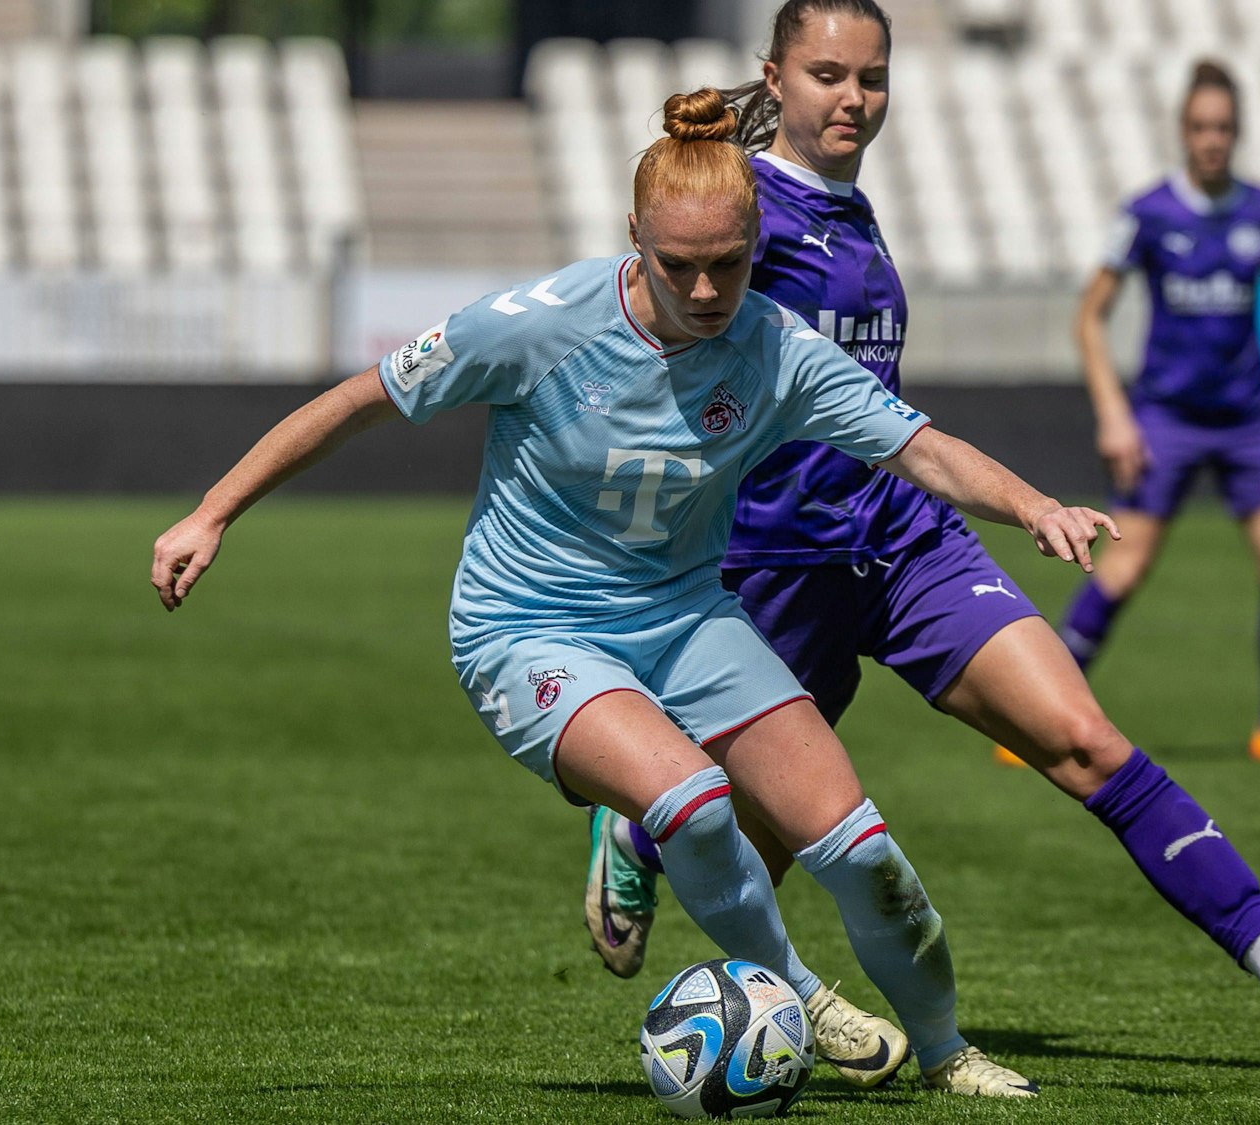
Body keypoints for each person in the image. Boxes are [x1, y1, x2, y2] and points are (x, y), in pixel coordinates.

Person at [148, 88, 1102, 1098]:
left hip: (689, 620)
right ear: (632, 238)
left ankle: (949, 1056)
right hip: (526, 632)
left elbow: (920, 448)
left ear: (756, 241)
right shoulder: (536, 325)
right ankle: (799, 996)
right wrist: (212, 512)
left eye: (727, 266)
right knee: (691, 806)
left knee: (859, 849)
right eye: (676, 266)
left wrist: (1031, 503)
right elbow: (355, 402)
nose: (702, 291)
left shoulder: (777, 349)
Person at [578, 0, 1260, 1065]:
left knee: (1084, 741)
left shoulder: (848, 209)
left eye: (870, 76)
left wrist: (1029, 505)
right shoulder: (743, 211)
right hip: (774, 565)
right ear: (773, 78)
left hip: (904, 542)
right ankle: (636, 831)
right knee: (751, 843)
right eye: (826, 75)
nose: (852, 97)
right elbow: (643, 324)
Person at [1061, 59, 1260, 768]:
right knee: (1122, 571)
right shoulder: (1148, 213)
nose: (1211, 139)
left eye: (1223, 127)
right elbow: (1090, 318)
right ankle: (1051, 719)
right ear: (1182, 131)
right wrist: (1114, 415)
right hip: (1166, 417)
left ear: (1237, 132)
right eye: (1199, 127)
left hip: (1248, 418)